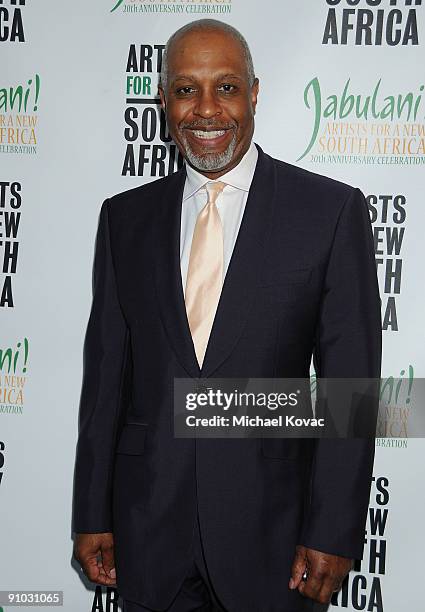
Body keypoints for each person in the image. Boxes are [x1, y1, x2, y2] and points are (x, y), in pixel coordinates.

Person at [72, 19, 382, 612]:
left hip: (274, 537)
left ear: (255, 93)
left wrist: (334, 528)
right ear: (164, 100)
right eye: (186, 89)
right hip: (148, 528)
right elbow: (106, 380)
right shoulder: (124, 219)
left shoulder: (329, 212)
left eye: (227, 87)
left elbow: (351, 390)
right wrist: (93, 511)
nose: (206, 109)